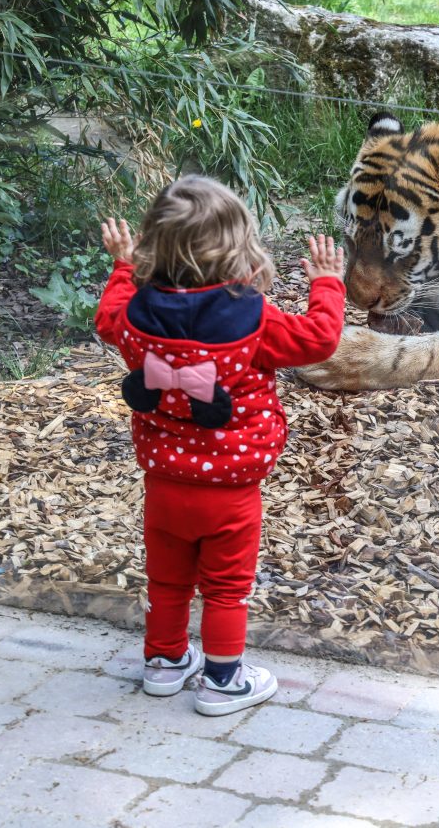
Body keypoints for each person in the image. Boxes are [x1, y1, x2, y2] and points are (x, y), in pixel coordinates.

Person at [94, 175, 346, 716]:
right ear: (239, 248)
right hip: (231, 489)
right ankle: (223, 682)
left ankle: (163, 664)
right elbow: (319, 339)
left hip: (163, 481)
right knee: (227, 589)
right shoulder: (255, 319)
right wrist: (327, 282)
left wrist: (120, 266)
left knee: (167, 580)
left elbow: (106, 319)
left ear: (152, 244)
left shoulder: (136, 315)